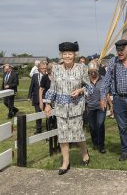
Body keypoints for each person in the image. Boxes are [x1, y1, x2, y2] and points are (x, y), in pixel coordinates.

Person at [44, 41, 92, 175]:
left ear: (75, 54)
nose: (67, 56)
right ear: (61, 55)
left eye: (70, 53)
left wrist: (80, 90)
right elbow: (52, 88)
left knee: (78, 134)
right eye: (64, 54)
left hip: (76, 107)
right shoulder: (56, 69)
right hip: (60, 108)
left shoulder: (82, 68)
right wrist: (48, 104)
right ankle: (66, 162)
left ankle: (84, 153)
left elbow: (90, 87)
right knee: (63, 136)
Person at [86, 61, 113, 154]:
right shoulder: (85, 80)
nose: (93, 73)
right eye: (91, 71)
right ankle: (95, 142)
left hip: (101, 106)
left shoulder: (104, 79)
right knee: (92, 127)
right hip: (90, 107)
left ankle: (101, 145)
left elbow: (107, 93)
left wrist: (110, 105)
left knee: (100, 124)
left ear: (98, 70)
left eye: (94, 71)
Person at [39, 62, 59, 154]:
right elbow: (41, 89)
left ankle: (58, 144)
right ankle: (51, 145)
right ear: (51, 69)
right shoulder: (45, 77)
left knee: (57, 124)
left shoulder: (58, 77)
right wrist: (41, 102)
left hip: (57, 103)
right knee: (49, 122)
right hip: (47, 103)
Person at [28, 62, 47, 134]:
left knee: (48, 114)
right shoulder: (35, 76)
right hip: (36, 98)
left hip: (46, 98)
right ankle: (38, 129)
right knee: (38, 114)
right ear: (39, 69)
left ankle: (49, 129)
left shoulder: (48, 76)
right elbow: (31, 87)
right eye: (42, 68)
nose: (44, 70)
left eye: (45, 68)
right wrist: (29, 97)